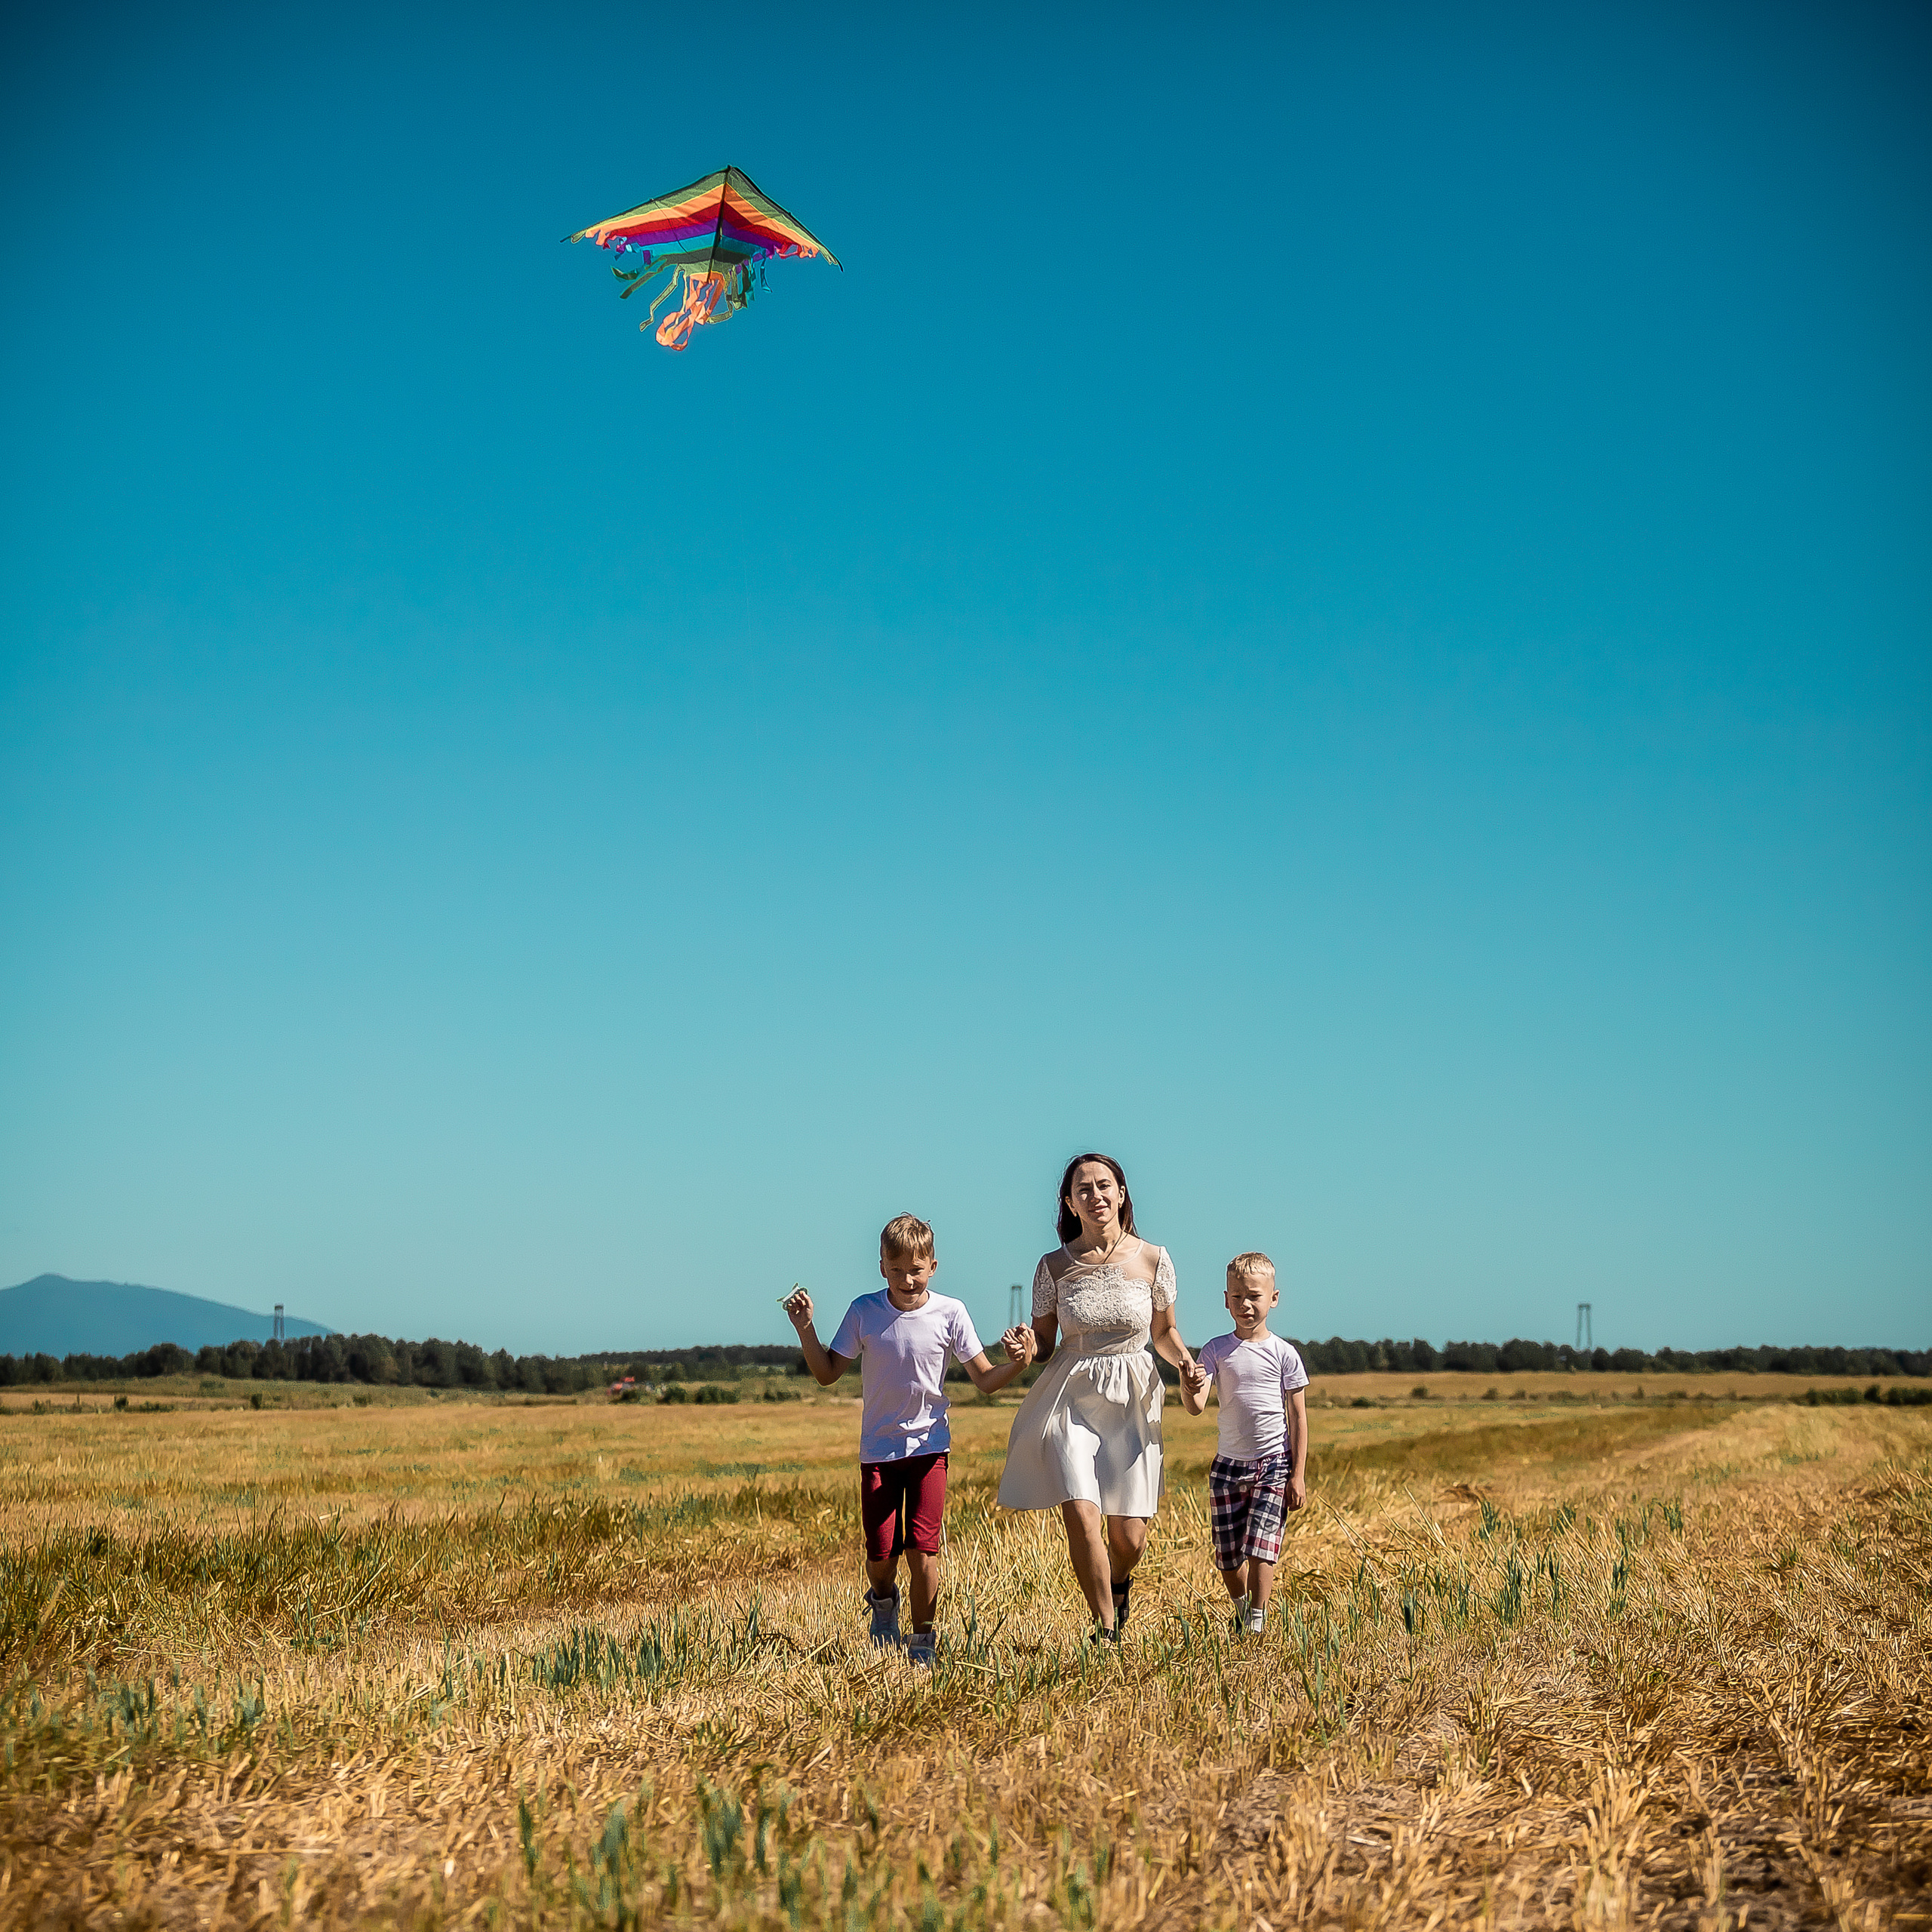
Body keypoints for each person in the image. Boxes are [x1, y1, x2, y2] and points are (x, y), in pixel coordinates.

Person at [783, 1214, 1035, 1668]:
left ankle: (923, 1643)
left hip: (929, 1451)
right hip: (878, 1452)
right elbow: (826, 1375)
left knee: (924, 1552)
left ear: (933, 1267)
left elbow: (985, 1380)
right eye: (896, 1269)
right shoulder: (864, 1312)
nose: (907, 1279)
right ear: (882, 1268)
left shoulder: (951, 1313)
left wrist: (1019, 1364)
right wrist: (806, 1329)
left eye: (916, 1269)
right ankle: (883, 1605)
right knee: (880, 1553)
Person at [996, 1153, 1195, 1641]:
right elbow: (1044, 1344)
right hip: (1070, 1392)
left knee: (1129, 1538)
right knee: (1081, 1510)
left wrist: (1186, 1362)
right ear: (1070, 1202)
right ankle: (1105, 1632)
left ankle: (1120, 1581)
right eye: (1083, 1189)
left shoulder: (1153, 1259)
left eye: (1104, 1185)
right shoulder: (1054, 1266)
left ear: (1121, 1193)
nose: (1095, 1195)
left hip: (1132, 1393)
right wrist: (1028, 1346)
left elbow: (1164, 1333)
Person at [1179, 1251, 1308, 1634]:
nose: (1245, 1304)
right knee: (1228, 1556)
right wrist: (1189, 1385)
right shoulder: (1215, 1350)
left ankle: (1256, 1620)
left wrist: (1297, 1475)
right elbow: (1196, 1407)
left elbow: (1298, 1417)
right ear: (1225, 1300)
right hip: (1227, 1467)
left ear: (1274, 1298)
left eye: (1254, 1295)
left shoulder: (1284, 1353)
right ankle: (1240, 1607)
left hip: (1274, 1463)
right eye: (1237, 1297)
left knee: (1262, 1547)